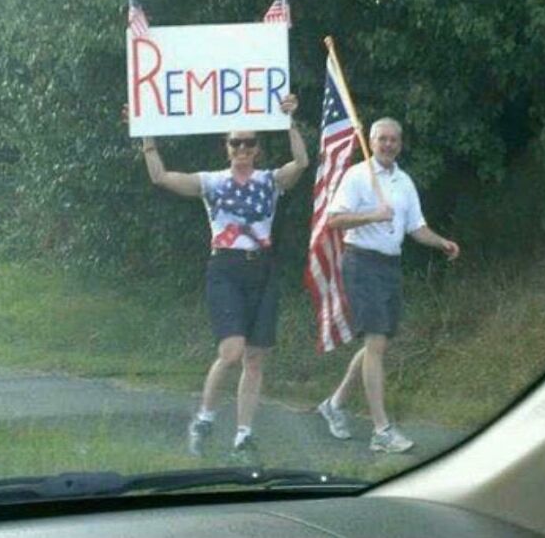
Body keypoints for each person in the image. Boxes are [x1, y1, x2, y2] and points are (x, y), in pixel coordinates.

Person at [133, 94, 308, 459]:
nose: (242, 149)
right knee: (231, 352)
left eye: (249, 143)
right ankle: (204, 419)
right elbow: (160, 177)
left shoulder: (270, 180)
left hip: (262, 267)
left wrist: (290, 121)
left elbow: (302, 163)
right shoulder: (211, 182)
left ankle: (243, 435)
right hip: (226, 268)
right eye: (235, 143)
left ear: (257, 148)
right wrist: (147, 134)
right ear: (226, 148)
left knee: (255, 358)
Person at [317, 117, 460, 453]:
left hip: (390, 265)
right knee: (376, 342)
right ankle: (381, 431)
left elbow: (416, 227)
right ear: (371, 141)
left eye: (394, 139)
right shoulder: (357, 176)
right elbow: (334, 220)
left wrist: (441, 242)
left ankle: (334, 405)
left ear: (400, 143)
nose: (388, 144)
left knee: (377, 345)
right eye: (382, 139)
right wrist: (372, 215)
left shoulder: (403, 182)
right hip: (361, 262)